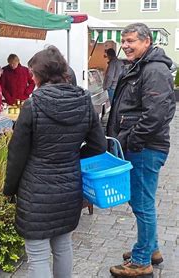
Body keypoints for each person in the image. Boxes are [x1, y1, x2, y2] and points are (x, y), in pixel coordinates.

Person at [3, 46, 107, 278]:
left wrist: (9, 189)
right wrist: (72, 158)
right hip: (69, 188)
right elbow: (100, 146)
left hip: (36, 191)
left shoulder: (33, 105)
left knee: (38, 254)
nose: (30, 77)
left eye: (32, 73)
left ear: (42, 75)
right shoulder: (84, 102)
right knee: (63, 245)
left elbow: (16, 154)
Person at [107, 23, 175, 277]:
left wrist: (133, 140)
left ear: (147, 41)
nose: (125, 45)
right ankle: (152, 248)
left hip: (145, 147)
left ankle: (141, 260)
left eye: (131, 41)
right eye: (123, 40)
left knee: (141, 202)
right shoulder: (141, 65)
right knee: (142, 200)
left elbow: (156, 114)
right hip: (141, 145)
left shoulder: (154, 69)